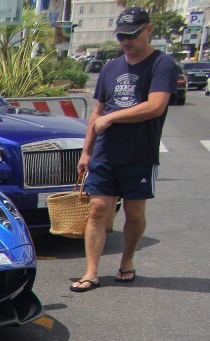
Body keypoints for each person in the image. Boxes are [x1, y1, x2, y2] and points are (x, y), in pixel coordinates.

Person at [71, 7, 177, 293]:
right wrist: (86, 151)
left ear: (148, 30)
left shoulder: (162, 64)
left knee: (133, 213)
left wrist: (113, 117)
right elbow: (97, 112)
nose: (126, 42)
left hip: (139, 154)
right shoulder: (111, 67)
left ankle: (127, 260)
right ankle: (91, 272)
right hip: (106, 152)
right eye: (121, 36)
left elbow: (155, 106)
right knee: (97, 210)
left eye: (132, 35)